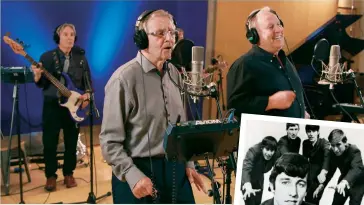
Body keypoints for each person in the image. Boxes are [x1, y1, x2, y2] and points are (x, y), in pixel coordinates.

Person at [99, 9, 206, 204]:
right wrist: (132, 175)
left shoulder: (174, 73)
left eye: (172, 32)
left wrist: (188, 163)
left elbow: (181, 127)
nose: (169, 39)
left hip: (176, 169)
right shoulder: (123, 79)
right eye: (160, 33)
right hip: (138, 173)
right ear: (141, 39)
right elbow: (109, 142)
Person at [31, 23, 92, 191]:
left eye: (72, 34)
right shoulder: (47, 57)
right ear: (58, 36)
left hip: (73, 106)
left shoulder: (80, 57)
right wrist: (37, 75)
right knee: (49, 142)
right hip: (52, 106)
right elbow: (42, 84)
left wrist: (87, 95)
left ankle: (68, 173)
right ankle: (50, 176)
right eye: (66, 34)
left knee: (71, 142)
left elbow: (87, 81)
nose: (70, 37)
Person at [226, 7, 310, 120]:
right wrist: (270, 102)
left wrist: (301, 112)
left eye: (279, 24)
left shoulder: (284, 61)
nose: (279, 30)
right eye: (271, 27)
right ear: (254, 36)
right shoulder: (244, 64)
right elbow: (235, 106)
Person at [325, 129, 364, 205]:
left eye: (338, 144)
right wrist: (322, 185)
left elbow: (355, 169)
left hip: (358, 183)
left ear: (345, 142)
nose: (335, 149)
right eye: (332, 145)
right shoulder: (332, 153)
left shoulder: (354, 150)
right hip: (343, 179)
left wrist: (344, 182)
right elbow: (330, 171)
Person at [241, 136, 280, 205]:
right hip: (248, 178)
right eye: (267, 149)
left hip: (259, 179)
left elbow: (277, 170)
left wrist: (272, 183)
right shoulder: (253, 151)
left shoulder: (276, 154)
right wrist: (247, 185)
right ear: (262, 148)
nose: (269, 153)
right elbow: (246, 168)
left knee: (257, 203)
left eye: (272, 150)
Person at [302, 125, 331, 205]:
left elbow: (327, 157)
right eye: (308, 131)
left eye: (313, 131)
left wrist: (323, 171)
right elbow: (304, 161)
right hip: (309, 175)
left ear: (318, 132)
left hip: (320, 175)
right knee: (306, 198)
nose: (311, 134)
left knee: (314, 199)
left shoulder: (324, 142)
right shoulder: (305, 143)